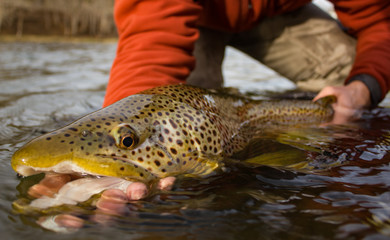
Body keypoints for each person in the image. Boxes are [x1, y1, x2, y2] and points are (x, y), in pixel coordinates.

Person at [33, 0, 390, 230]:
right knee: (186, 101)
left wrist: (363, 87)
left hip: (279, 12)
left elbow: (377, 19)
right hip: (193, 11)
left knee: (350, 81)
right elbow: (151, 37)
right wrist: (123, 121)